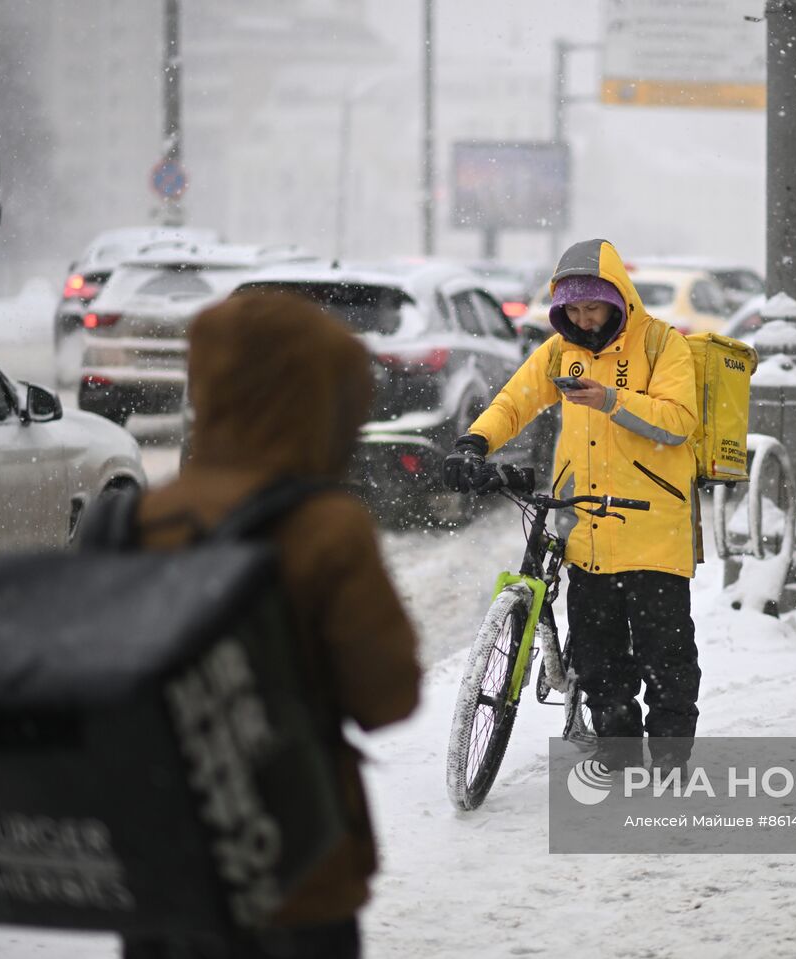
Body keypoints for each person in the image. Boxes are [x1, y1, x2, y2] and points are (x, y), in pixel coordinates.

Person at [125, 292, 421, 958]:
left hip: (163, 860)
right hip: (296, 858)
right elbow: (388, 697)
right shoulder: (325, 526)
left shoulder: (144, 518)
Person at [442, 238, 701, 769]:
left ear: (618, 299)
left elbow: (678, 423)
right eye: (573, 311)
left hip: (653, 526)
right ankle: (618, 750)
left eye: (593, 308)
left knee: (665, 658)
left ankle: (673, 758)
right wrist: (476, 441)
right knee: (598, 657)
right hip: (589, 526)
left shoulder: (660, 345)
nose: (583, 320)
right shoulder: (563, 351)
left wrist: (611, 400)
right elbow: (516, 399)